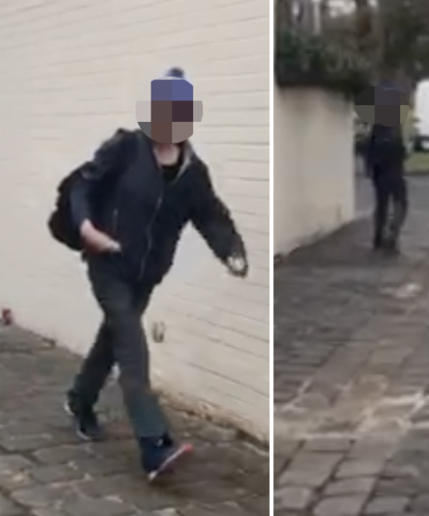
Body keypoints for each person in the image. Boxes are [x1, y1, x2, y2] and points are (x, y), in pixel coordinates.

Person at [63, 68, 248, 482]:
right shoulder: (125, 148)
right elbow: (82, 188)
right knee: (132, 348)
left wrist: (231, 250)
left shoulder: (193, 173)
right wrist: (86, 228)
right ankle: (153, 445)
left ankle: (79, 400)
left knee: (111, 342)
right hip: (107, 263)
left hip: (146, 275)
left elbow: (211, 216)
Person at [364, 82, 408, 254]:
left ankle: (378, 237)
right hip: (394, 170)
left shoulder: (376, 122)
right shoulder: (395, 123)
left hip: (378, 171)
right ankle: (392, 233)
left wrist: (370, 167)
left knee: (381, 204)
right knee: (400, 202)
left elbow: (368, 146)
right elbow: (399, 148)